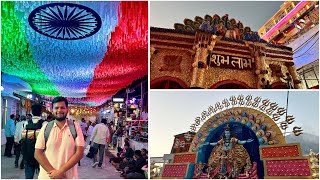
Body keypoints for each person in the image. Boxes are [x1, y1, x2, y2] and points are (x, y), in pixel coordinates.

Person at [34, 96, 84, 179]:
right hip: (47, 177)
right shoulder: (45, 127)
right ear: (52, 110)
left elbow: (79, 153)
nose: (59, 110)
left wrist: (61, 171)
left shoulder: (75, 127)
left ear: (67, 109)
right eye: (56, 108)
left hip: (68, 177)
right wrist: (54, 173)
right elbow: (37, 153)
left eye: (62, 107)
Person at [21, 103, 45, 179]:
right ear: (41, 112)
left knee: (28, 176)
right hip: (42, 154)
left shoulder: (27, 123)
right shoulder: (44, 123)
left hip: (28, 153)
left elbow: (23, 137)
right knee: (42, 176)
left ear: (31, 112)